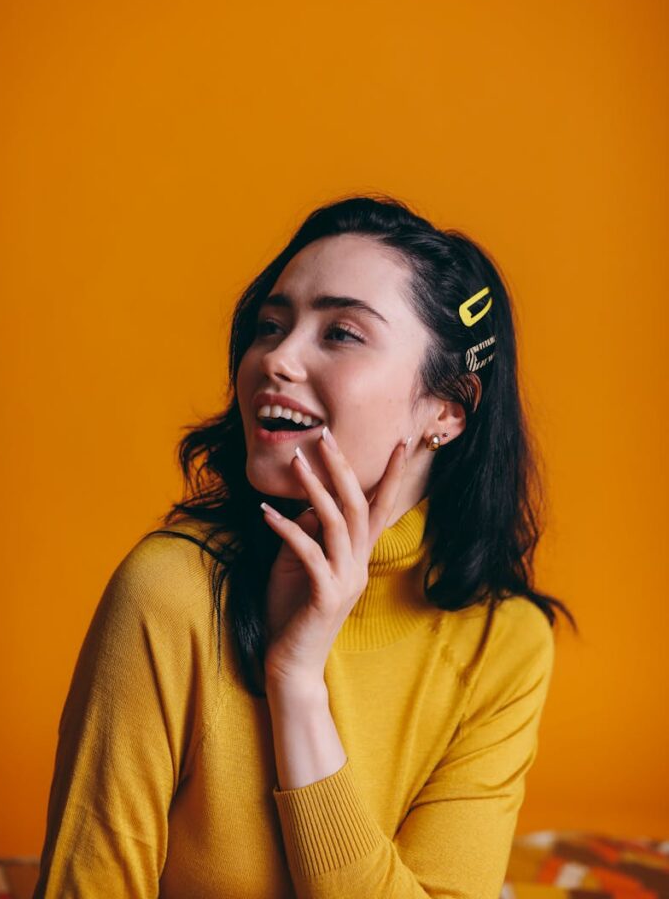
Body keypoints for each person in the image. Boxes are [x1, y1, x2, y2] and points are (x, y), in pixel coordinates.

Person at [33, 193, 577, 898]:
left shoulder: (502, 641)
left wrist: (297, 689)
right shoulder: (172, 589)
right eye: (269, 325)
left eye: (341, 333)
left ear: (445, 408)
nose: (274, 359)